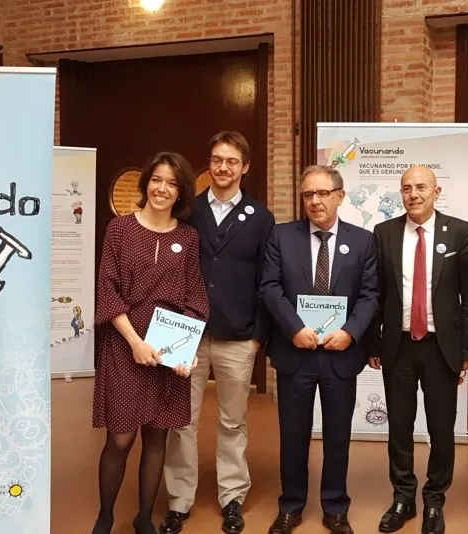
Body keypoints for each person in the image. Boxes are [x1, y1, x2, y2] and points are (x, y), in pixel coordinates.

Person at [161, 131, 274, 534]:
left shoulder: (260, 218)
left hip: (238, 337)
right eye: (216, 160)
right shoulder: (187, 210)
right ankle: (178, 500)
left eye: (231, 161)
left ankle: (232, 497)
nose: (223, 167)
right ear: (209, 165)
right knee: (181, 420)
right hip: (186, 333)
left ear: (245, 167)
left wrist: (258, 335)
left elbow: (267, 279)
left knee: (232, 421)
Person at [91, 152, 210, 534]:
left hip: (167, 352)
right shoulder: (120, 229)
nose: (162, 189)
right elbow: (107, 290)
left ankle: (144, 517)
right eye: (156, 180)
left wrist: (184, 351)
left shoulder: (188, 237)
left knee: (157, 436)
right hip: (124, 347)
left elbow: (194, 296)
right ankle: (105, 516)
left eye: (172, 183)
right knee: (120, 438)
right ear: (146, 184)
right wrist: (135, 342)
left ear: (181, 192)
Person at [259, 165, 378, 534]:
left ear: (340, 196)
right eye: (308, 194)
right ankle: (291, 506)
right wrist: (293, 329)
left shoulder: (363, 241)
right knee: (293, 435)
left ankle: (335, 507)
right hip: (295, 352)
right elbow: (270, 288)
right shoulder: (281, 236)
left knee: (338, 436)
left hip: (340, 354)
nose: (315, 201)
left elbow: (370, 295)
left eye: (323, 193)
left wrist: (351, 332)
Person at [367, 166, 468, 534]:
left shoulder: (459, 232)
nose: (413, 194)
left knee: (441, 429)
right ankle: (402, 497)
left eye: (421, 187)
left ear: (436, 191)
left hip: (441, 348)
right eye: (406, 188)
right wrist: (373, 342)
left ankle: (434, 499)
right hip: (397, 346)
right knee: (399, 427)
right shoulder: (384, 233)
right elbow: (376, 294)